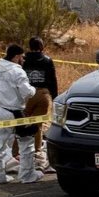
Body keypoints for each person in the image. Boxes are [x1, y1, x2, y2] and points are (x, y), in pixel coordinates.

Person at [0, 44, 42, 184]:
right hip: (13, 111)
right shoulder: (18, 72)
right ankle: (27, 175)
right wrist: (33, 90)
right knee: (27, 140)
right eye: (22, 57)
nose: (23, 60)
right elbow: (26, 92)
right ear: (16, 57)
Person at [21, 36, 57, 172]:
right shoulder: (48, 60)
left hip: (27, 94)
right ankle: (36, 153)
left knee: (21, 123)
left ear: (30, 47)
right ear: (42, 47)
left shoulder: (23, 59)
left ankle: (16, 154)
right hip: (43, 94)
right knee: (38, 125)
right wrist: (54, 98)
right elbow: (53, 80)